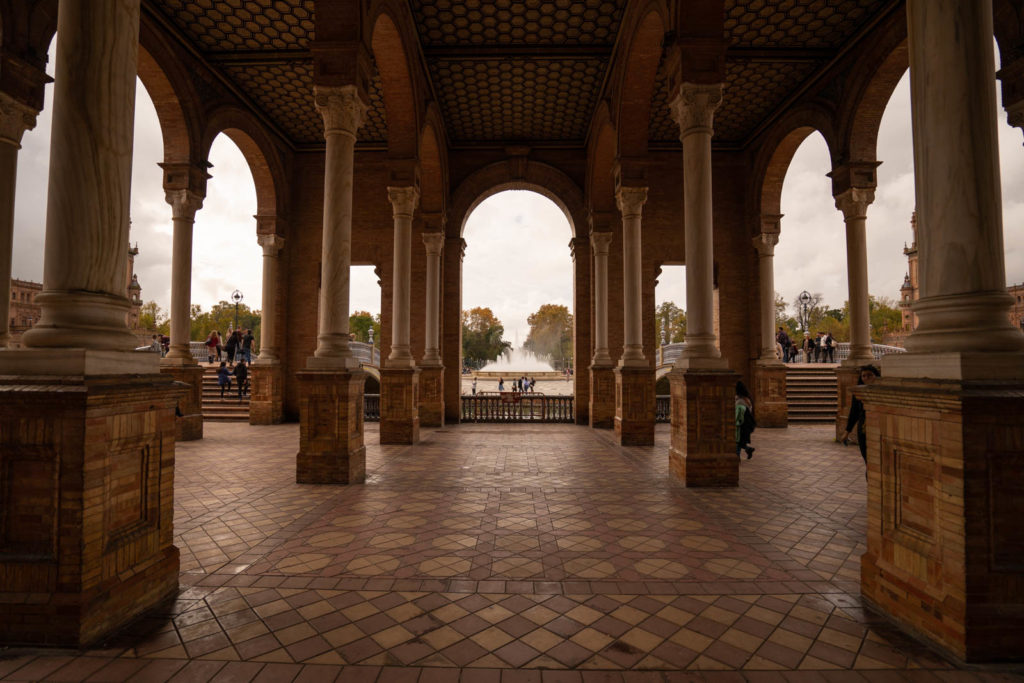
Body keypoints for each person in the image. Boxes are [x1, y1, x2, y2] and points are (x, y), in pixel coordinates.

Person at [841, 364, 881, 464]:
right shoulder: (859, 392)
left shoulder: (881, 392)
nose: (866, 378)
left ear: (876, 375)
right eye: (864, 376)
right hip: (863, 428)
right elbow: (854, 412)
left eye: (869, 375)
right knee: (867, 458)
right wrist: (847, 432)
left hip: (879, 427)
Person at [735, 381, 756, 459]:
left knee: (737, 441)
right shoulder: (747, 399)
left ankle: (737, 456)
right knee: (740, 440)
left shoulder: (740, 401)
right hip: (746, 424)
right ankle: (748, 449)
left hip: (741, 424)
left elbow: (738, 416)